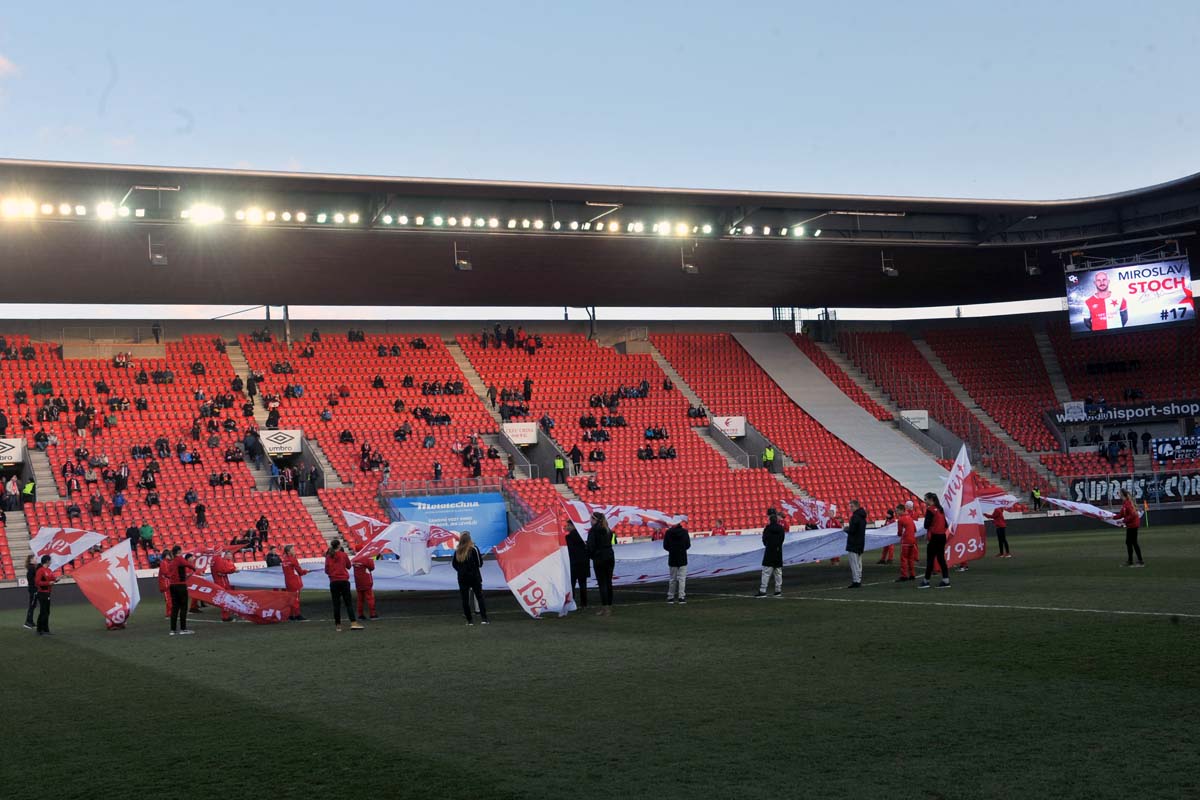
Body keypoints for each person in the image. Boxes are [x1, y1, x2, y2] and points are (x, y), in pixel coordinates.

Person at [451, 532, 489, 625]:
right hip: (474, 577)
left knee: (465, 599)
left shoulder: (458, 550)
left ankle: (469, 621)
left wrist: (461, 571)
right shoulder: (474, 549)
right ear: (469, 539)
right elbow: (480, 563)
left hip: (462, 578)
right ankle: (484, 619)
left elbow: (454, 564)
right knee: (479, 597)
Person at [324, 540, 362, 631]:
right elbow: (348, 566)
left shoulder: (328, 556)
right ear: (339, 545)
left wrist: (333, 573)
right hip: (344, 581)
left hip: (334, 582)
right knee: (348, 603)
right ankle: (353, 623)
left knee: (336, 604)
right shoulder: (343, 555)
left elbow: (326, 570)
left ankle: (338, 625)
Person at [586, 512, 616, 615]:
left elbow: (591, 546)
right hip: (610, 556)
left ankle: (605, 608)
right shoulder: (608, 529)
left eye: (591, 519)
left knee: (602, 583)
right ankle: (609, 606)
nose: (590, 521)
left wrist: (591, 555)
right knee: (608, 582)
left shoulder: (593, 530)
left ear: (594, 520)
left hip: (599, 557)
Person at [919, 493, 951, 589]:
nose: (925, 501)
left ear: (930, 499)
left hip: (934, 536)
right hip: (942, 536)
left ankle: (926, 581)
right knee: (941, 559)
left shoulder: (930, 510)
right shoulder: (940, 509)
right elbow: (945, 524)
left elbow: (926, 525)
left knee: (930, 559)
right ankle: (946, 580)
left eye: (926, 499)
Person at [756, 508, 786, 597]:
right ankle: (778, 590)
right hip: (778, 552)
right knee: (778, 572)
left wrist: (768, 545)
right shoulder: (781, 528)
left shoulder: (767, 528)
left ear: (769, 519)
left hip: (769, 552)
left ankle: (763, 590)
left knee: (766, 572)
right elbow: (782, 540)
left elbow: (764, 539)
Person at [169, 548, 197, 635]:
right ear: (178, 552)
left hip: (172, 586)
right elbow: (188, 565)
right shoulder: (179, 559)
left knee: (175, 608)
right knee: (183, 607)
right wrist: (194, 568)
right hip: (180, 586)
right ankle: (183, 629)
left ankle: (173, 630)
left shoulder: (172, 562)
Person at [662, 521, 691, 604]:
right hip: (682, 557)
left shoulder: (668, 532)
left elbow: (665, 546)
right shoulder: (684, 532)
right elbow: (688, 545)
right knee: (682, 579)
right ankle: (681, 597)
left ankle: (670, 597)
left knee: (672, 579)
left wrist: (672, 550)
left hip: (672, 557)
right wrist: (681, 549)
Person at [281, 544, 309, 621]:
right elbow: (300, 572)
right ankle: (297, 615)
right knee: (296, 599)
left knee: (291, 598)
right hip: (295, 582)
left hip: (288, 582)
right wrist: (306, 571)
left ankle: (291, 615)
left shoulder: (284, 560)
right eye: (293, 550)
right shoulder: (293, 559)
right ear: (288, 552)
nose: (294, 551)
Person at [565, 521, 589, 607]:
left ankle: (572, 602)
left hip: (573, 563)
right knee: (583, 584)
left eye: (568, 525)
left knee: (572, 584)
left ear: (573, 526)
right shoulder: (583, 536)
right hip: (583, 562)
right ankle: (584, 603)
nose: (566, 527)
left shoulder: (568, 537)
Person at [1118, 489, 1145, 567]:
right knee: (1129, 542)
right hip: (1130, 525)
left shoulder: (1128, 503)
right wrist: (1110, 517)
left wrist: (1124, 521)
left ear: (1122, 494)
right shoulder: (1125, 503)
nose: (1118, 494)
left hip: (1133, 525)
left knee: (1133, 542)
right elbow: (1120, 515)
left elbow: (1133, 515)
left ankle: (1140, 562)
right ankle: (1131, 561)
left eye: (1119, 493)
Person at [845, 499, 867, 589]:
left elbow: (852, 530)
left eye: (852, 506)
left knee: (854, 563)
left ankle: (856, 580)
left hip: (853, 543)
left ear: (856, 506)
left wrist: (846, 529)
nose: (850, 508)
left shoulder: (855, 517)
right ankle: (858, 579)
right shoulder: (863, 517)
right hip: (860, 542)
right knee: (858, 562)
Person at [211, 550, 238, 622]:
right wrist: (233, 570)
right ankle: (225, 616)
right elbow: (222, 571)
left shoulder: (214, 559)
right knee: (225, 598)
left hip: (221, 581)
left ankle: (228, 613)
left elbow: (220, 571)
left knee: (226, 597)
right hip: (222, 582)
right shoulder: (218, 559)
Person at [33, 555, 57, 635]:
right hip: (42, 593)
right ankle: (42, 629)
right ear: (47, 561)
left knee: (46, 611)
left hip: (47, 593)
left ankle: (43, 629)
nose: (51, 562)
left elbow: (52, 578)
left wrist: (56, 579)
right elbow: (37, 582)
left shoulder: (49, 570)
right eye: (50, 560)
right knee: (44, 612)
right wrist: (48, 583)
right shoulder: (40, 570)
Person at [894, 504, 918, 582]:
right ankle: (912, 575)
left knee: (904, 558)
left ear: (902, 510)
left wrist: (899, 535)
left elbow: (900, 532)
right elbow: (915, 529)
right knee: (911, 558)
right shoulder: (910, 518)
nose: (896, 512)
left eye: (897, 511)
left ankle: (904, 576)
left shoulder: (901, 519)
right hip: (912, 541)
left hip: (905, 541)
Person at [353, 554, 378, 620]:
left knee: (360, 599)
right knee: (370, 598)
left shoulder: (356, 557)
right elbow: (372, 567)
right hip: (366, 580)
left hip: (358, 581)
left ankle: (360, 614)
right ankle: (372, 614)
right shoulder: (367, 557)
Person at [156, 550, 174, 619]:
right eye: (169, 555)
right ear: (166, 555)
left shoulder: (168, 562)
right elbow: (166, 572)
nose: (170, 556)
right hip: (166, 583)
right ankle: (170, 612)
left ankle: (170, 612)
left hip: (168, 582)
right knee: (168, 598)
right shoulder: (164, 562)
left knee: (170, 598)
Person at [23, 554, 39, 629]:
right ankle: (28, 622)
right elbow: (32, 580)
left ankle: (31, 621)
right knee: (32, 606)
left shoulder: (32, 568)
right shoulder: (32, 568)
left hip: (33, 589)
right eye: (34, 558)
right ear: (31, 560)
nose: (36, 559)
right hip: (33, 589)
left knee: (33, 605)